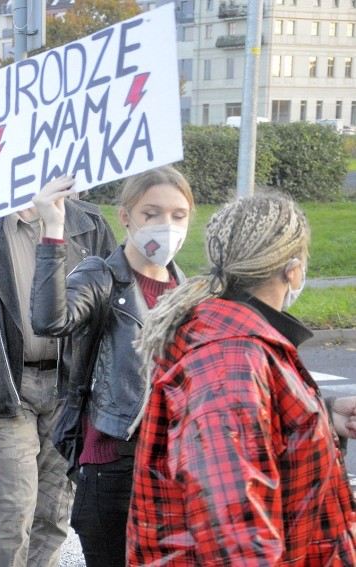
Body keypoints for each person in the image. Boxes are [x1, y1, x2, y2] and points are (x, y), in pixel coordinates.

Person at [128, 193, 356, 565]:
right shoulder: (229, 356)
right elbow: (233, 527)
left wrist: (323, 416)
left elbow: (251, 436)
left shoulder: (239, 342)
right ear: (291, 269)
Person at [0, 174, 115, 567]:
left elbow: (113, 301)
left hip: (70, 391)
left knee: (53, 516)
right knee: (11, 514)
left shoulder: (90, 225)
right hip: (8, 386)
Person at [30, 166, 193, 566]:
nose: (165, 226)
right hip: (113, 464)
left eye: (178, 215)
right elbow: (50, 320)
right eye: (150, 214)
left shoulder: (185, 290)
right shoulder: (101, 277)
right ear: (126, 217)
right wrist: (52, 230)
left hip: (172, 469)